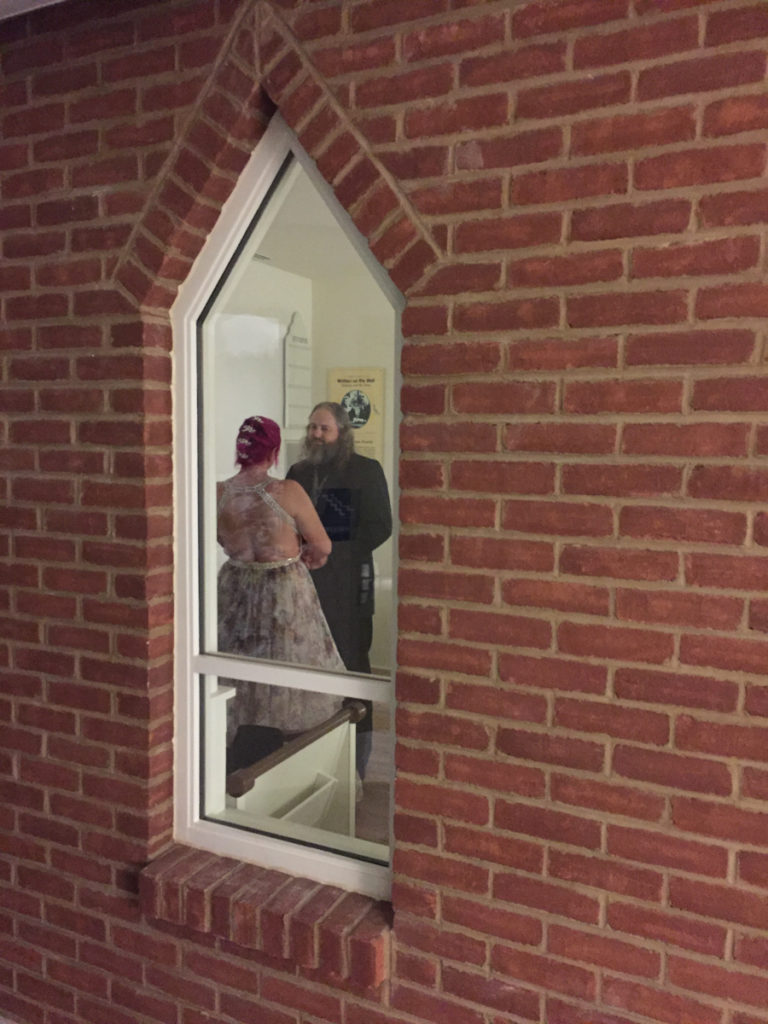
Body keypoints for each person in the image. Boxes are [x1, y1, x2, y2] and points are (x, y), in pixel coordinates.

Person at [217, 415, 345, 762]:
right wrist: (305, 555)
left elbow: (217, 538)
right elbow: (323, 544)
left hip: (236, 588)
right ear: (273, 451)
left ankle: (240, 753)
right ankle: (289, 761)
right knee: (288, 668)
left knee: (238, 668)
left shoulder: (218, 492)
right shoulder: (286, 491)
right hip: (283, 592)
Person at [287, 402, 392, 777]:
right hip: (305, 585)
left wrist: (333, 551)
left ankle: (356, 769)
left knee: (352, 668)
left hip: (350, 588)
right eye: (312, 427)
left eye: (324, 429)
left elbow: (380, 526)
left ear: (342, 433)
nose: (316, 434)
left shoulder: (367, 470)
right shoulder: (298, 472)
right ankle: (311, 759)